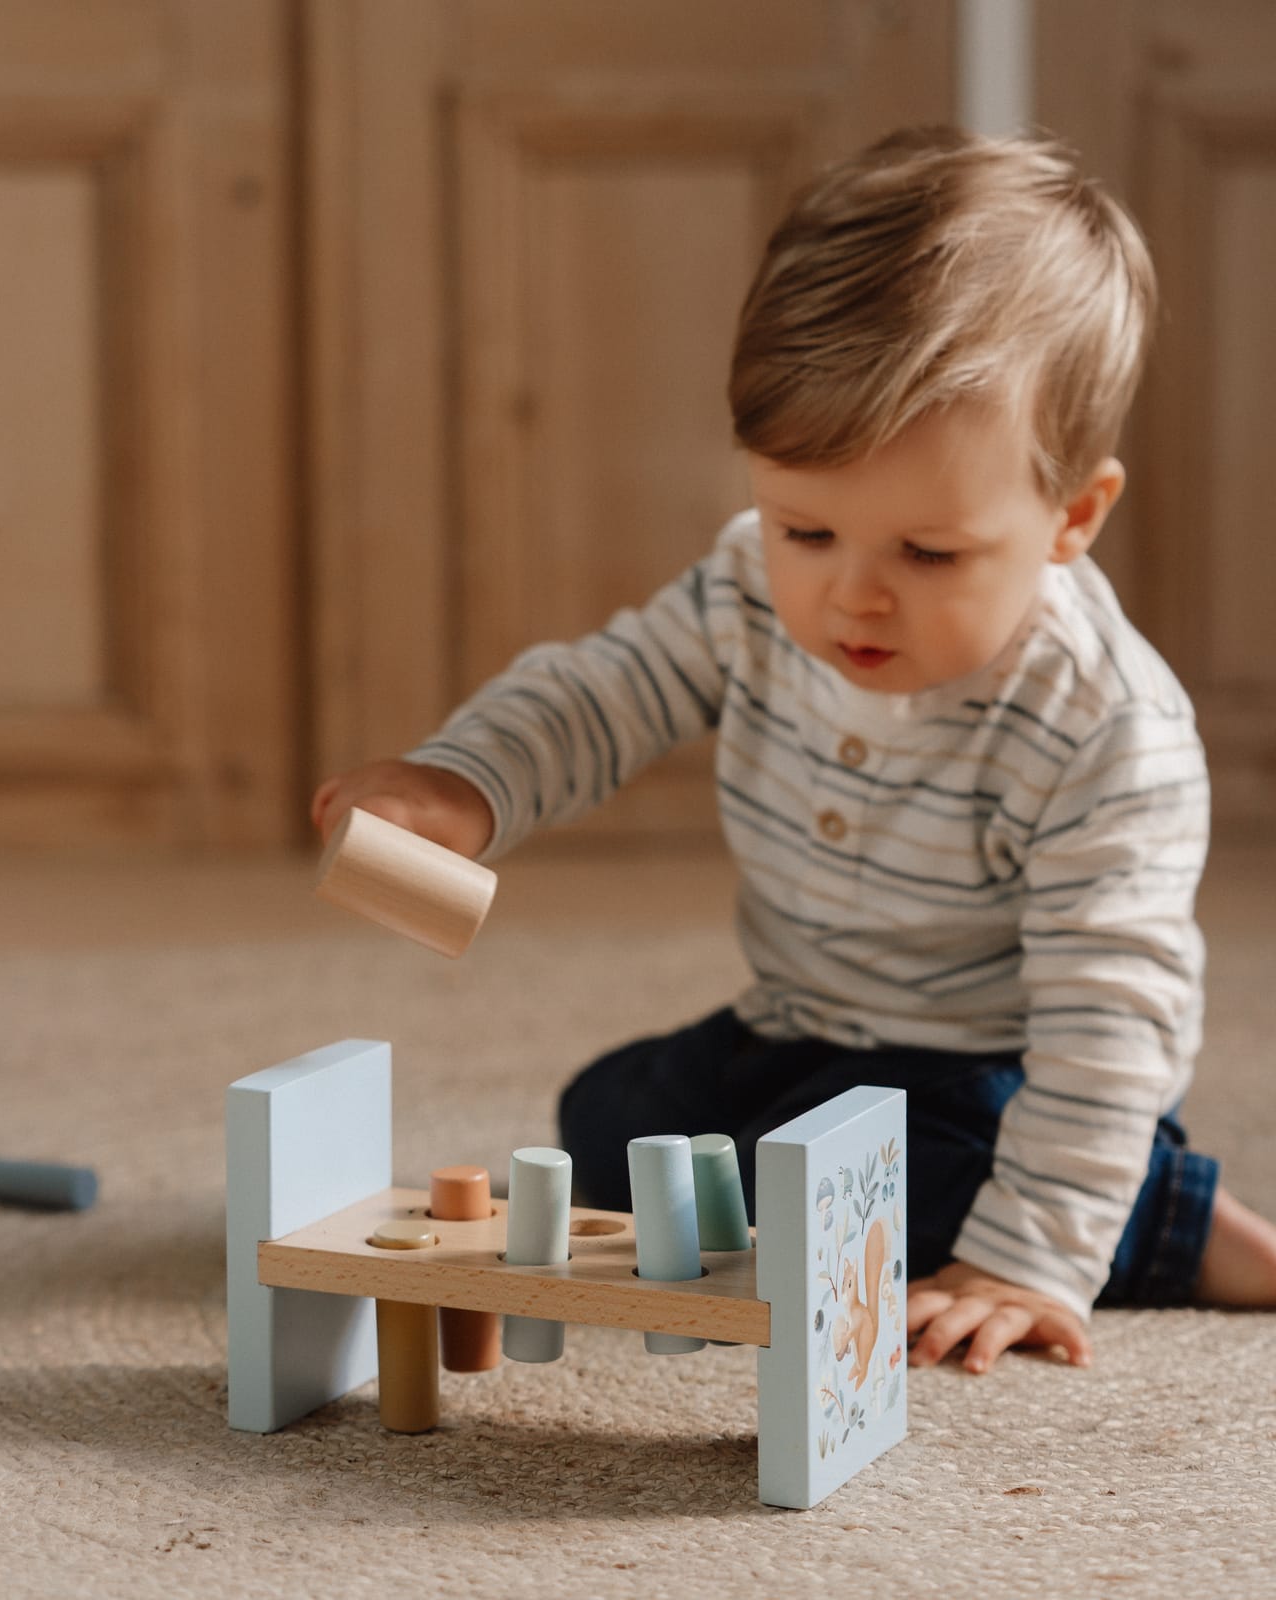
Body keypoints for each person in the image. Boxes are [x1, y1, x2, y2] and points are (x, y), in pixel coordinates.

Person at [311, 126, 1276, 1374]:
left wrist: (1026, 1256)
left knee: (871, 1210)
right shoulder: (751, 592)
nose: (849, 598)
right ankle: (869, 1171)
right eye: (803, 528)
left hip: (994, 1078)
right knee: (610, 1129)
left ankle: (1171, 1223)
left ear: (1071, 516)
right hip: (802, 1022)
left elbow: (1113, 1022)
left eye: (926, 555)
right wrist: (462, 783)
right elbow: (608, 690)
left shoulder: (1104, 732)